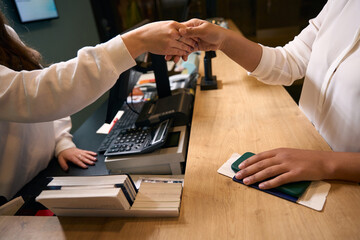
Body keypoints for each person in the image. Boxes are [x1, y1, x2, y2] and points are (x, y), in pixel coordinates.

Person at [0, 10, 195, 201]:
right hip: (11, 200)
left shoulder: (7, 35)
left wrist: (61, 142)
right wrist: (138, 40)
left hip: (48, 169)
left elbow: (44, 92)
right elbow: (36, 93)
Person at [178, 0, 360, 189]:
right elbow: (290, 61)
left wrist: (325, 162)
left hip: (346, 184)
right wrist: (224, 40)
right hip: (304, 149)